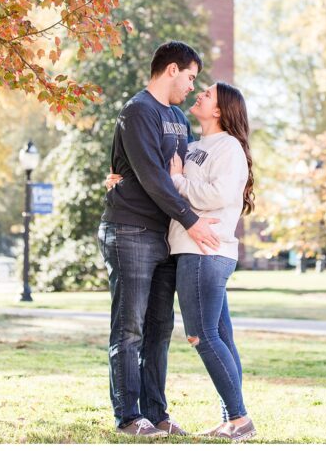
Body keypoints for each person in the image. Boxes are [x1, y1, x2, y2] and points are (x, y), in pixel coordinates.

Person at [107, 81, 257, 442]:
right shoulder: (193, 146)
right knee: (220, 335)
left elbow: (216, 194)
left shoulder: (229, 147)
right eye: (198, 87)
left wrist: (178, 180)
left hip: (206, 251)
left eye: (207, 94)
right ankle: (231, 418)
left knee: (200, 335)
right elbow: (156, 177)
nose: (198, 94)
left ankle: (239, 419)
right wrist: (122, 182)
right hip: (187, 249)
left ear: (220, 111)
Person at [98, 41, 221, 438]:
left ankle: (157, 413)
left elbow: (181, 175)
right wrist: (191, 220)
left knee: (159, 328)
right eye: (189, 77)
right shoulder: (137, 111)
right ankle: (130, 416)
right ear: (171, 70)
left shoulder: (178, 120)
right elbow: (154, 177)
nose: (191, 86)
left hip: (165, 234)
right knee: (130, 328)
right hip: (131, 229)